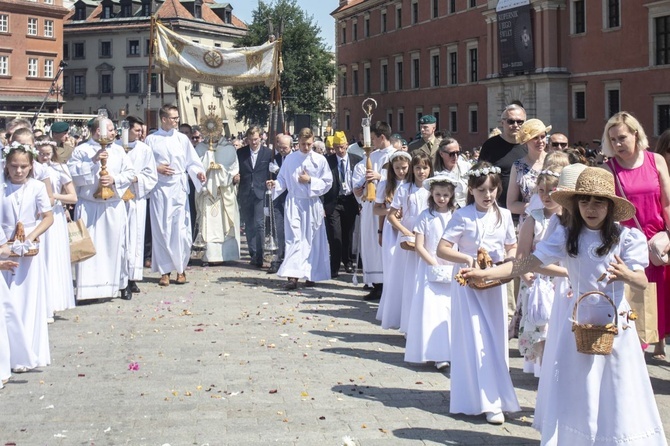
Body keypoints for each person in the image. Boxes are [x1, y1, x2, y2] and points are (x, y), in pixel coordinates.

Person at [462, 167, 667, 444]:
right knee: (579, 390)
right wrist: (486, 274)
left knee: (617, 389)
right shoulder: (568, 235)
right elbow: (528, 262)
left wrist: (627, 275)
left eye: (597, 202)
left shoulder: (625, 238)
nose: (590, 208)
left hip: (615, 329)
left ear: (610, 205)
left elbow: (641, 281)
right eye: (584, 201)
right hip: (579, 328)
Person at [436, 161, 519, 425]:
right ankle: (478, 399)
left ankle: (497, 397)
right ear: (471, 190)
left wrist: (507, 263)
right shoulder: (462, 215)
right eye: (482, 190)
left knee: (495, 340)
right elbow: (443, 248)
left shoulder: (504, 215)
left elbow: (512, 247)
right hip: (468, 286)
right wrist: (467, 258)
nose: (488, 195)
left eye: (492, 190)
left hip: (494, 285)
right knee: (476, 339)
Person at [601, 111, 670, 361]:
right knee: (636, 301)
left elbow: (667, 203)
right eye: (613, 140)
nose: (618, 144)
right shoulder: (608, 169)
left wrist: (669, 235)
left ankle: (659, 344)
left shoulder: (656, 160)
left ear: (635, 134)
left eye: (622, 137)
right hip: (630, 244)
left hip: (659, 241)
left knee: (662, 298)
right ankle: (635, 357)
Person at [68, 116, 136, 300]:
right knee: (92, 248)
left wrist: (114, 179)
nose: (115, 132)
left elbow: (130, 173)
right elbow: (73, 175)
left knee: (117, 246)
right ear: (99, 131)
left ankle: (119, 285)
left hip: (112, 205)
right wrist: (93, 161)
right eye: (111, 129)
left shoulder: (120, 151)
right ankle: (89, 290)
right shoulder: (82, 150)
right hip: (90, 205)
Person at [2, 143, 54, 368]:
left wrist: (31, 236)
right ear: (6, 165)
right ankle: (9, 353)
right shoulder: (2, 187)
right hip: (4, 248)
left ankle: (29, 351)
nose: (19, 171)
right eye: (14, 166)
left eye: (24, 166)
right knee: (8, 301)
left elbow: (47, 217)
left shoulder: (36, 188)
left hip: (29, 251)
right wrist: (4, 244)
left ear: (31, 166)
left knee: (28, 300)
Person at [145, 105, 205, 286]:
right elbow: (143, 164)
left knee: (180, 231)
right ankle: (164, 271)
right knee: (161, 229)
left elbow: (192, 162)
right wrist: (157, 168)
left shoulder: (182, 139)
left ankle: (181, 269)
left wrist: (198, 173)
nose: (176, 121)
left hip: (178, 189)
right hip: (159, 189)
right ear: (163, 119)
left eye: (177, 118)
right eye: (173, 118)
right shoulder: (151, 140)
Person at [515, 165, 566, 377]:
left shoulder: (569, 218)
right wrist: (528, 279)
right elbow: (521, 255)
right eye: (541, 191)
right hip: (539, 280)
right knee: (542, 330)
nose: (546, 196)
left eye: (551, 190)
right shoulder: (533, 219)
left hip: (563, 280)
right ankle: (545, 374)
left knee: (561, 330)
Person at [266, 128, 333, 290]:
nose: (306, 147)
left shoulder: (320, 160)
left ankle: (312, 274)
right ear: (298, 143)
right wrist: (275, 184)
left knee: (312, 239)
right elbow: (282, 178)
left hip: (312, 204)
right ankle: (293, 276)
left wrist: (310, 180)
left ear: (313, 141)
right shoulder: (291, 159)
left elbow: (328, 182)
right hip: (295, 203)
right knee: (295, 239)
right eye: (303, 144)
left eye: (309, 144)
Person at [404, 176, 456, 370]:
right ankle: (437, 353)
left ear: (451, 195)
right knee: (433, 310)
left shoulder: (455, 215)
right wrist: (433, 263)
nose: (441, 199)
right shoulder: (426, 216)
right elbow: (419, 245)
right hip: (430, 268)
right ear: (431, 194)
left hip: (451, 266)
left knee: (450, 311)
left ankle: (452, 350)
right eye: (437, 195)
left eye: (445, 195)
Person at [386, 153, 432, 333]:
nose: (422, 172)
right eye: (418, 168)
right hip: (409, 236)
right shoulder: (405, 189)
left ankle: (422, 321)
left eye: (425, 168)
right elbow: (391, 215)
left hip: (427, 236)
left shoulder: (432, 188)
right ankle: (406, 323)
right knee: (408, 278)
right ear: (413, 169)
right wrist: (405, 231)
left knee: (423, 279)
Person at [352, 121, 396, 300]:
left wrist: (380, 176)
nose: (370, 144)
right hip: (370, 206)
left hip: (387, 207)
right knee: (370, 245)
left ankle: (388, 284)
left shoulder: (396, 155)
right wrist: (358, 189)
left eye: (373, 139)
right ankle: (376, 284)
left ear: (382, 137)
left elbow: (402, 177)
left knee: (383, 245)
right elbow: (360, 176)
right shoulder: (372, 156)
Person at [35, 137, 77, 316]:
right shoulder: (33, 169)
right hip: (37, 216)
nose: (45, 157)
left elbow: (73, 197)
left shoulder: (59, 169)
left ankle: (53, 303)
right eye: (42, 154)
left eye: (48, 154)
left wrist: (54, 196)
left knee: (52, 257)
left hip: (55, 215)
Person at [374, 151, 411, 327]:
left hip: (409, 228)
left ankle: (406, 308)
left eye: (404, 168)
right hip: (391, 230)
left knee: (406, 269)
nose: (401, 172)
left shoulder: (412, 184)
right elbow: (376, 209)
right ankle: (391, 309)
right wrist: (381, 229)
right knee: (391, 270)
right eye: (397, 168)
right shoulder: (386, 184)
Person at [123, 116, 158, 293]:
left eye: (141, 131)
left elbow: (152, 175)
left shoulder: (144, 150)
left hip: (136, 198)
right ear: (127, 129)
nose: (140, 134)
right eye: (137, 130)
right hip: (117, 199)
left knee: (135, 239)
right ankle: (118, 276)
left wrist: (137, 179)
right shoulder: (115, 148)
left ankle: (132, 277)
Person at [323, 131, 362, 278]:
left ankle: (347, 261)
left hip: (350, 200)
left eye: (342, 147)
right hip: (333, 201)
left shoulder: (356, 160)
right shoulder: (328, 161)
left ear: (347, 145)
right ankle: (334, 266)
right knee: (335, 234)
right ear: (333, 147)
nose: (340, 150)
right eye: (337, 147)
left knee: (348, 233)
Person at [196, 137, 240, 263]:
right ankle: (208, 255)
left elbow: (233, 169)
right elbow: (195, 167)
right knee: (207, 224)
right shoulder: (200, 148)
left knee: (224, 223)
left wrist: (220, 168)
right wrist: (207, 163)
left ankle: (226, 255)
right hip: (206, 193)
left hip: (223, 192)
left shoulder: (228, 148)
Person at [235, 125, 274, 268]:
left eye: (256, 139)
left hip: (260, 192)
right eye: (251, 140)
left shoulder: (268, 153)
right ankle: (253, 253)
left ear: (261, 138)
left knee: (259, 224)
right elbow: (235, 169)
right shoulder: (241, 153)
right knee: (249, 225)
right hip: (245, 192)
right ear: (247, 140)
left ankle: (260, 255)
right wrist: (235, 178)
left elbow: (272, 171)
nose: (254, 142)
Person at [479, 104, 528, 208]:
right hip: (497, 208)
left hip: (524, 210)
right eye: (511, 121)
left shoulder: (529, 145)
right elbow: (480, 176)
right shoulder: (490, 145)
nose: (516, 125)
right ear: (502, 123)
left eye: (520, 122)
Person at [507, 119, 550, 222]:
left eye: (543, 137)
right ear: (526, 141)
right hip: (529, 222)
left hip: (553, 220)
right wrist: (535, 208)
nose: (540, 141)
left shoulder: (554, 161)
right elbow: (511, 204)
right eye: (535, 137)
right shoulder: (518, 166)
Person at [267, 134, 292, 274]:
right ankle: (277, 259)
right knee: (278, 230)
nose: (282, 150)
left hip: (292, 199)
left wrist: (278, 171)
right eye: (280, 147)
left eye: (285, 148)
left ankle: (289, 259)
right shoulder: (274, 159)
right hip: (278, 199)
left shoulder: (295, 159)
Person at [433, 137, 470, 208]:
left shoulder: (466, 167)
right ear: (441, 154)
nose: (455, 157)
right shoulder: (435, 171)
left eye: (458, 153)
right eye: (452, 154)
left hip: (466, 208)